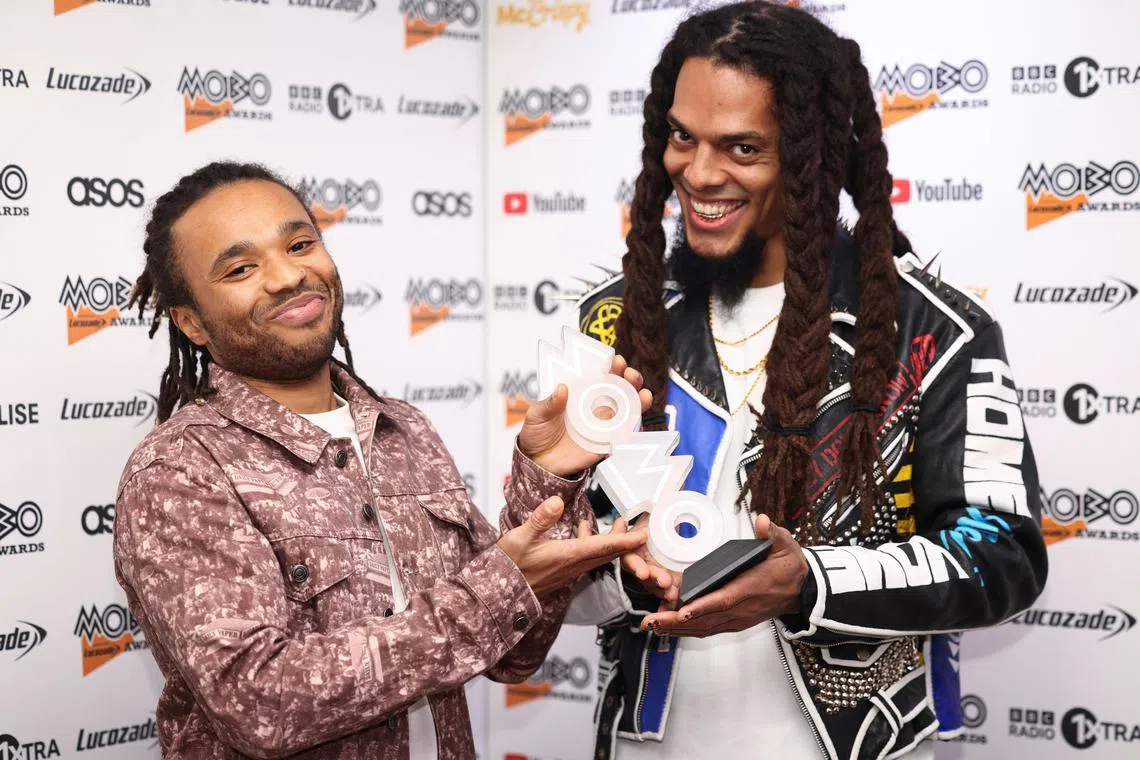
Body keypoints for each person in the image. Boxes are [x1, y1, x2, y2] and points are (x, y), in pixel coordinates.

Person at [566, 3, 1049, 759]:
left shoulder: (932, 333)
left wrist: (807, 583)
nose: (698, 172)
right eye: (681, 137)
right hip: (646, 742)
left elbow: (1001, 557)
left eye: (743, 147)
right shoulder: (612, 325)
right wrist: (628, 576)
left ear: (811, 157)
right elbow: (549, 570)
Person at [112, 161, 654, 759]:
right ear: (190, 321)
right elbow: (262, 704)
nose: (288, 275)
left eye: (299, 244)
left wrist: (547, 475)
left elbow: (511, 654)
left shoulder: (403, 432)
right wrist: (497, 587)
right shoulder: (179, 472)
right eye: (242, 268)